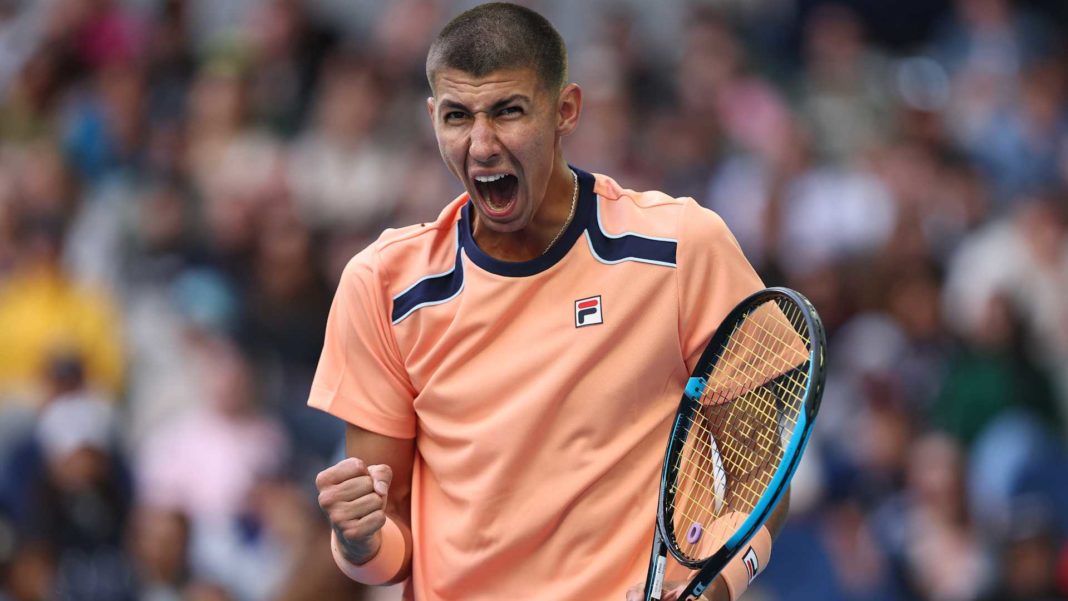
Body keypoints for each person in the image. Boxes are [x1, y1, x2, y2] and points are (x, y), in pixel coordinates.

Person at [309, 3, 788, 600]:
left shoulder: (682, 247)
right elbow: (391, 546)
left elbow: (763, 480)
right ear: (433, 118)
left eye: (508, 111)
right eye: (458, 116)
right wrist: (358, 543)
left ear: (566, 111)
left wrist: (715, 590)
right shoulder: (382, 285)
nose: (481, 144)